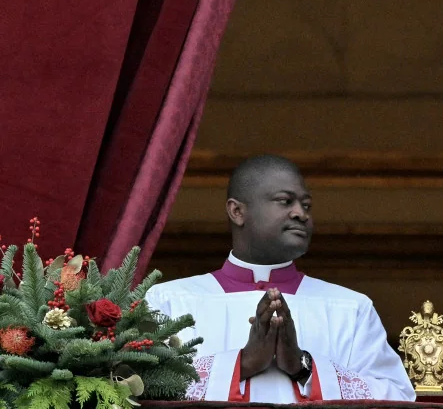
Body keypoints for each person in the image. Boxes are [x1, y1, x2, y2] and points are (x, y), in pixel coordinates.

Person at [146, 155, 415, 403]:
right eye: (285, 201)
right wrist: (242, 364)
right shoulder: (168, 302)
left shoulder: (351, 308)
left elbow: (397, 396)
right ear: (237, 212)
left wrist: (303, 366)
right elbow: (138, 388)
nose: (301, 213)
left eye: (306, 204)